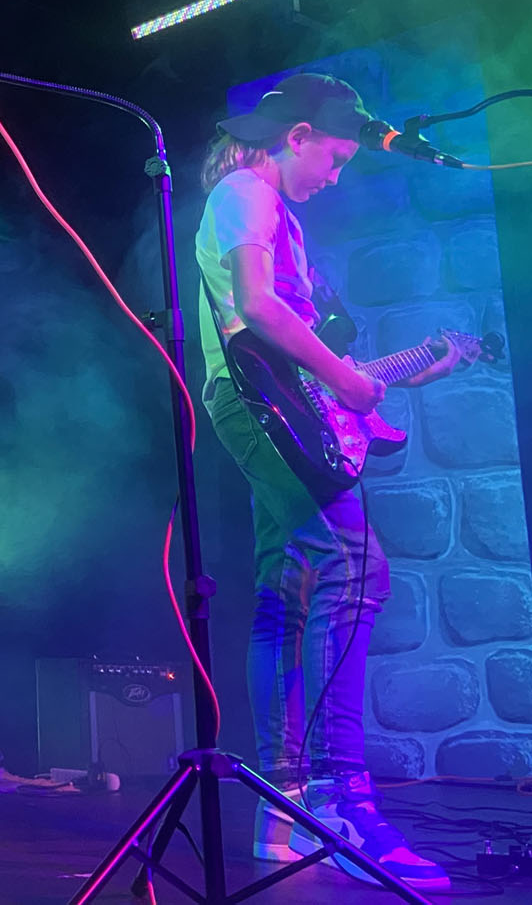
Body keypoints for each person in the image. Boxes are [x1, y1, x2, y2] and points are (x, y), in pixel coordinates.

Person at [195, 72, 461, 891]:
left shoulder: (267, 207)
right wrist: (347, 385)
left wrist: (362, 380)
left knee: (288, 589)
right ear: (298, 135)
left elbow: (288, 337)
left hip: (268, 405)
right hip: (255, 404)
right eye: (336, 157)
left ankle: (284, 810)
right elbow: (257, 307)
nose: (336, 177)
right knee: (356, 571)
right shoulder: (248, 187)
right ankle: (343, 800)